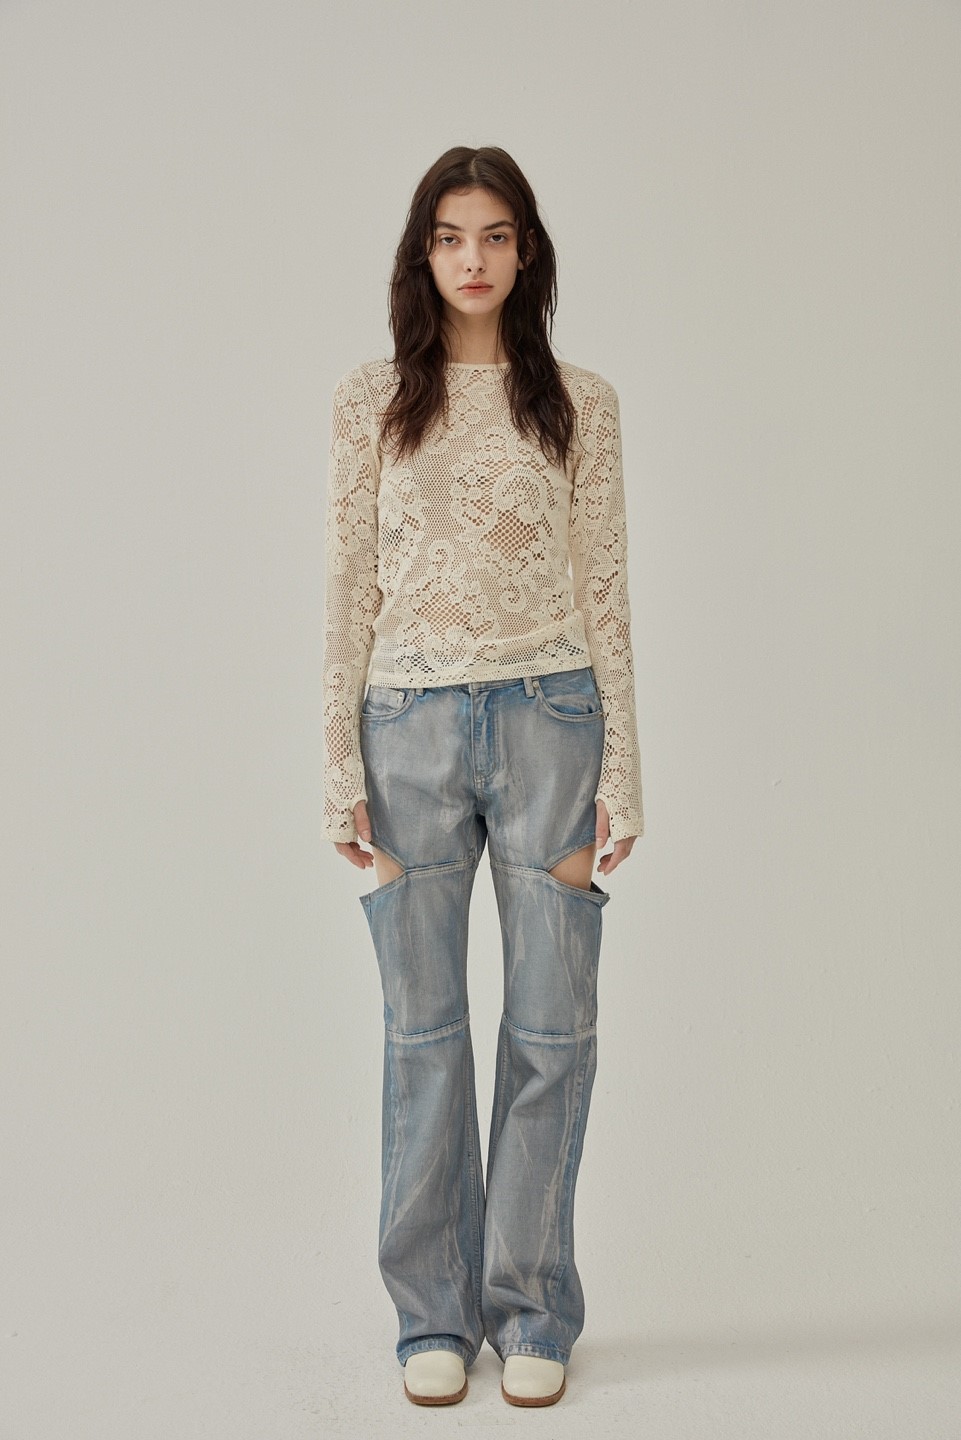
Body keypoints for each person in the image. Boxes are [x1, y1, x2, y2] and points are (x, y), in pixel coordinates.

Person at [321, 145, 644, 1408]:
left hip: (552, 716)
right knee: (423, 1034)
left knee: (552, 1029)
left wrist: (627, 766)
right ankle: (431, 1317)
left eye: (496, 235)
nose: (473, 258)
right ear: (423, 254)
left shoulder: (581, 403)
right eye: (451, 236)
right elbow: (347, 584)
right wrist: (335, 757)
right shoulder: (371, 402)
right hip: (404, 725)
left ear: (526, 252)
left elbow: (607, 590)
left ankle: (533, 1304)